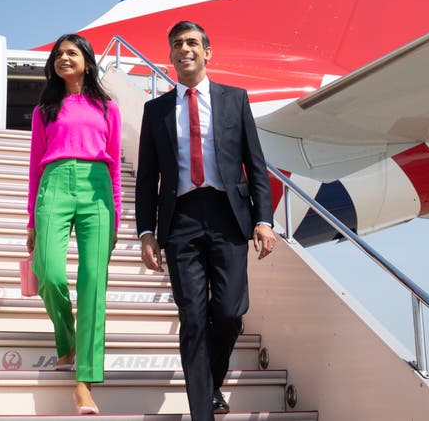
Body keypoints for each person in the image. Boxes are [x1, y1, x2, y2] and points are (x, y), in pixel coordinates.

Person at [135, 21, 277, 421]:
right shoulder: (155, 110)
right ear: (171, 56)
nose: (185, 49)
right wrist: (146, 231)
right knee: (193, 317)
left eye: (193, 42)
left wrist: (263, 220)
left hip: (228, 215)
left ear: (207, 52)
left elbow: (256, 165)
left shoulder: (235, 100)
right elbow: (147, 178)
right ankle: (202, 412)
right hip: (180, 219)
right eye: (177, 44)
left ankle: (211, 381)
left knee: (230, 311)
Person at [26, 33, 121, 415]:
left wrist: (114, 212)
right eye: (58, 54)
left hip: (97, 187)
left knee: (94, 284)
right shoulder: (44, 109)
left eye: (72, 52)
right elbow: (34, 166)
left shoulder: (107, 107)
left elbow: (114, 164)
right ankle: (65, 340)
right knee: (48, 272)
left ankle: (84, 383)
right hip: (54, 183)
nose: (64, 58)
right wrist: (32, 218)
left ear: (87, 60)